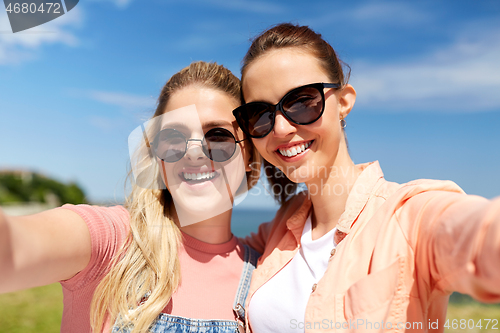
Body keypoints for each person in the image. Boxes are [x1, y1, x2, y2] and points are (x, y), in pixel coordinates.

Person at [233, 23, 500, 332]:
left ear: (344, 102)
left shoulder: (408, 216)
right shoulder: (277, 232)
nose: (280, 129)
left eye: (302, 102)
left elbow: (478, 234)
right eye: (260, 115)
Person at [0, 61, 261, 333]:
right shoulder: (113, 241)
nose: (193, 152)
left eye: (218, 136)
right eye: (173, 137)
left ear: (250, 156)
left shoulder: (266, 277)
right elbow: (14, 246)